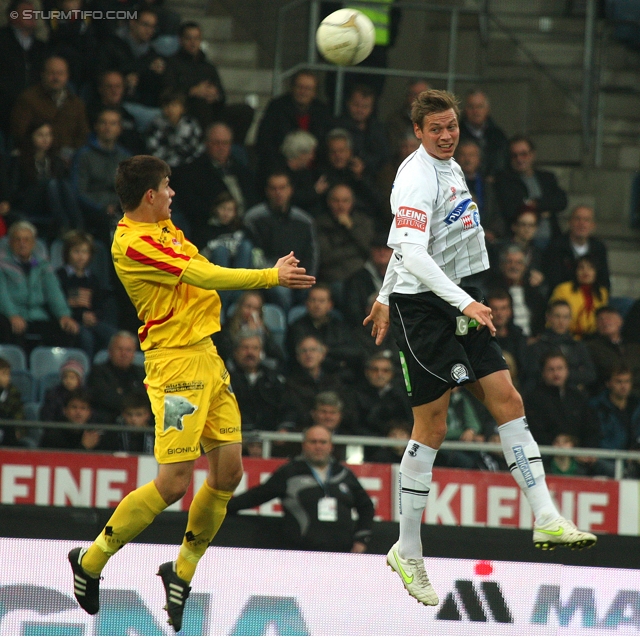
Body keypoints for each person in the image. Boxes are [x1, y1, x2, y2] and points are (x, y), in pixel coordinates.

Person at [362, 89, 596, 607]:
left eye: (452, 127)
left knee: (508, 400)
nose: (447, 136)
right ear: (418, 133)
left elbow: (417, 244)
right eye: (436, 130)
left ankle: (547, 517)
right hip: (424, 309)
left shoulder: (451, 166)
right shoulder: (416, 177)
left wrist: (383, 296)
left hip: (457, 297)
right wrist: (451, 302)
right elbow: (413, 256)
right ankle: (408, 548)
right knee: (434, 426)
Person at [67, 154, 314, 632]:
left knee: (228, 472)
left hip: (206, 356)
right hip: (175, 365)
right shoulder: (132, 242)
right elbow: (200, 275)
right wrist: (268, 277)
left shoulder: (165, 227)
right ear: (149, 196)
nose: (174, 193)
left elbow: (202, 265)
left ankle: (180, 571)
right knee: (174, 482)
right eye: (167, 187)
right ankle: (90, 560)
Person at [227, 425, 375, 553]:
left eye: (323, 442)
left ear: (331, 446)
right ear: (304, 445)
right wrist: (223, 508)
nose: (318, 446)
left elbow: (366, 506)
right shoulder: (289, 472)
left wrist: (362, 539)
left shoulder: (343, 474)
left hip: (341, 553)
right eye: (313, 442)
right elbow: (257, 495)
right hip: (300, 554)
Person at [244, 171, 318, 312]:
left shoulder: (304, 221)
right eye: (274, 188)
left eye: (282, 188)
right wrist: (274, 275)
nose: (278, 193)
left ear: (290, 190)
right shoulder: (253, 218)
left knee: (317, 295)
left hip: (299, 274)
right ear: (267, 191)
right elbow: (255, 255)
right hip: (268, 276)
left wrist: (306, 277)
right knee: (281, 292)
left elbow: (312, 254)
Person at [0, 221, 79, 352]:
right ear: (10, 242)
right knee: (10, 330)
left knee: (67, 329)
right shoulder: (2, 264)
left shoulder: (42, 265)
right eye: (17, 239)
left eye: (26, 239)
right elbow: (2, 294)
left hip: (38, 315)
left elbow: (54, 292)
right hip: (10, 315)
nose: (22, 243)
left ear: (33, 243)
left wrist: (63, 315)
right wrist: (12, 315)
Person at [495, 135, 568, 249]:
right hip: (521, 243)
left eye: (524, 154)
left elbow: (561, 201)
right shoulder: (505, 180)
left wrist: (535, 204)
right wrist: (543, 210)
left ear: (532, 155)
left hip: (551, 241)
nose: (519, 159)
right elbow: (510, 209)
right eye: (515, 156)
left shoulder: (546, 178)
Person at [11, 54, 90, 160]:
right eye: (52, 73)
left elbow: (83, 135)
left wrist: (72, 154)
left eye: (60, 73)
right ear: (43, 74)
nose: (56, 78)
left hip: (69, 160)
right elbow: (19, 133)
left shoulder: (76, 103)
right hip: (35, 158)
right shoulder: (28, 99)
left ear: (67, 76)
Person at [73, 108, 131, 246]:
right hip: (93, 211)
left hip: (120, 209)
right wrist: (101, 208)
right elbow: (79, 191)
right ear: (96, 127)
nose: (108, 128)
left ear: (119, 129)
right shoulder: (84, 155)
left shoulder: (125, 157)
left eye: (113, 124)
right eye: (104, 123)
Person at [56, 230, 118, 357]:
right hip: (71, 320)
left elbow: (99, 304)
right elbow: (60, 303)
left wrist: (94, 316)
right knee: (86, 338)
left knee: (114, 336)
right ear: (67, 253)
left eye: (85, 252)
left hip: (91, 320)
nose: (81, 256)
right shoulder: (60, 276)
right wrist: (80, 316)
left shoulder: (92, 279)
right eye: (76, 251)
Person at [225, 330, 295, 433]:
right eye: (245, 348)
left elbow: (288, 407)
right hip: (237, 437)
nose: (250, 352)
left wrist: (283, 428)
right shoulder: (225, 379)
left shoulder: (273, 378)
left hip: (270, 439)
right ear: (236, 352)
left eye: (255, 348)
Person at [522, 299, 596, 394]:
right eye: (557, 316)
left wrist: (557, 375)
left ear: (570, 319)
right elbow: (534, 376)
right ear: (548, 317)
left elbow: (591, 375)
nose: (561, 321)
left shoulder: (579, 346)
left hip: (575, 397)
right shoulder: (538, 346)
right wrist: (576, 372)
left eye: (565, 317)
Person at [0, 1, 48, 139]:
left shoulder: (40, 47)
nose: (32, 15)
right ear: (13, 16)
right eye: (27, 13)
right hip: (5, 108)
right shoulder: (2, 41)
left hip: (33, 111)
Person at [544, 205, 611, 293]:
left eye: (586, 220)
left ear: (593, 226)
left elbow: (604, 281)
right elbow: (555, 282)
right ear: (569, 223)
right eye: (577, 219)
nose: (582, 224)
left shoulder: (599, 248)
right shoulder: (556, 246)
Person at [589, 365, 640, 477]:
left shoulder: (637, 406)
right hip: (606, 460)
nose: (623, 386)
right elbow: (595, 437)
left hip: (633, 461)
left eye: (627, 381)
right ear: (608, 383)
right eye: (619, 382)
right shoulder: (596, 407)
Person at [86, 330, 145, 423]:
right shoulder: (98, 372)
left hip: (140, 423)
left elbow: (146, 399)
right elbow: (104, 398)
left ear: (134, 353)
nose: (124, 354)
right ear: (110, 351)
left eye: (128, 350)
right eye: (120, 349)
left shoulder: (142, 373)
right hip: (109, 423)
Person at [549, 254, 609, 339]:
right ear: (575, 271)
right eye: (581, 268)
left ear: (596, 272)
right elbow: (554, 317)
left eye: (590, 268)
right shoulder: (563, 289)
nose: (585, 271)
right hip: (565, 336)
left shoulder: (603, 293)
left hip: (594, 339)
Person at [586, 306, 640, 395]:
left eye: (609, 318)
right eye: (600, 319)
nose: (605, 322)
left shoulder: (634, 347)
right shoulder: (591, 348)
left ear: (620, 321)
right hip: (609, 395)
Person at [458, 89, 509, 180]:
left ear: (487, 109)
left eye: (480, 106)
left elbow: (503, 164)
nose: (475, 111)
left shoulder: (498, 136)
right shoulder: (455, 135)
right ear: (465, 110)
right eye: (471, 107)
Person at [144, 89, 203, 168]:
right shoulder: (155, 125)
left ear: (182, 108)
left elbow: (197, 147)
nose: (170, 109)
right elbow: (152, 149)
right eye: (166, 106)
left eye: (174, 105)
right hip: (164, 167)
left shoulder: (191, 124)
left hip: (189, 166)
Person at [40, 358, 86, 423]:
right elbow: (47, 416)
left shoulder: (86, 396)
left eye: (72, 378)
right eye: (65, 377)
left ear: (79, 380)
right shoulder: (53, 394)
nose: (68, 381)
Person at [0, 356, 26, 447]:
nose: (8, 378)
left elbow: (19, 414)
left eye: (8, 374)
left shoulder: (14, 393)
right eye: (4, 374)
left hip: (8, 434)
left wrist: (18, 430)